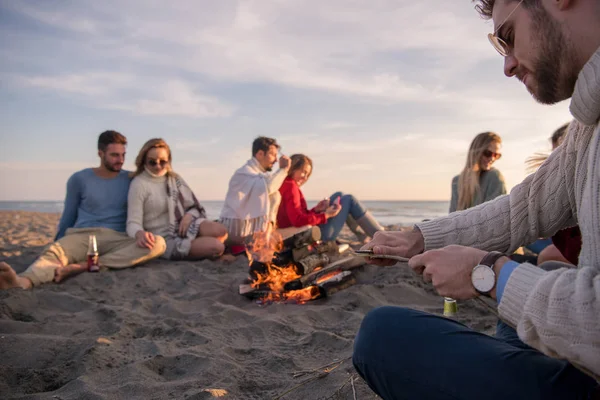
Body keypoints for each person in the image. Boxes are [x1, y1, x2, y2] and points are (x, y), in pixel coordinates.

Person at [353, 1, 600, 399]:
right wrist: (419, 237)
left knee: (382, 336)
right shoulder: (588, 126)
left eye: (508, 37)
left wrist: (487, 273)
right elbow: (522, 209)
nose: (508, 65)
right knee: (511, 319)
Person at [0, 131, 166, 290]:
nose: (120, 160)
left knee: (157, 244)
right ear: (100, 153)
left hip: (119, 238)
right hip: (84, 236)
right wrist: (59, 242)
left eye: (123, 155)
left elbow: (163, 191)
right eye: (114, 155)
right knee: (52, 255)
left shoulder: (133, 179)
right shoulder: (79, 179)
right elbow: (68, 216)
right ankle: (22, 282)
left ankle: (83, 266)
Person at [126, 138, 228, 261]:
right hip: (165, 238)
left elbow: (194, 206)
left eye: (162, 162)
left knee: (221, 231)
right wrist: (139, 234)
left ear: (168, 161)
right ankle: (207, 249)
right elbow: (133, 223)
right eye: (152, 162)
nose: (158, 166)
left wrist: (189, 216)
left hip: (185, 227)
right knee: (216, 246)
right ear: (144, 161)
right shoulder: (139, 184)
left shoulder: (175, 179)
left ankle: (204, 247)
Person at [277, 154, 383, 242]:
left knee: (339, 195)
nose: (305, 177)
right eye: (303, 172)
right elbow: (297, 220)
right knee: (349, 199)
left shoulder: (286, 184)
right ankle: (381, 236)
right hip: (314, 236)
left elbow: (296, 216)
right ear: (293, 168)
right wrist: (326, 215)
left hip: (304, 231)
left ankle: (367, 237)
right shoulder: (291, 187)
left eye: (307, 174)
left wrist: (316, 210)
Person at [219, 136, 291, 247]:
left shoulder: (259, 175)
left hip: (246, 231)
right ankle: (265, 242)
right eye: (273, 155)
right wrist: (283, 170)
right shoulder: (244, 173)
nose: (276, 160)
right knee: (273, 194)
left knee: (275, 195)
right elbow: (269, 187)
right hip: (234, 231)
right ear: (260, 154)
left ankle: (266, 240)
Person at [449, 132, 506, 213]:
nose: (492, 159)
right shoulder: (457, 181)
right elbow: (451, 218)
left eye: (496, 155)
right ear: (476, 152)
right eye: (488, 153)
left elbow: (496, 217)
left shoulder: (494, 176)